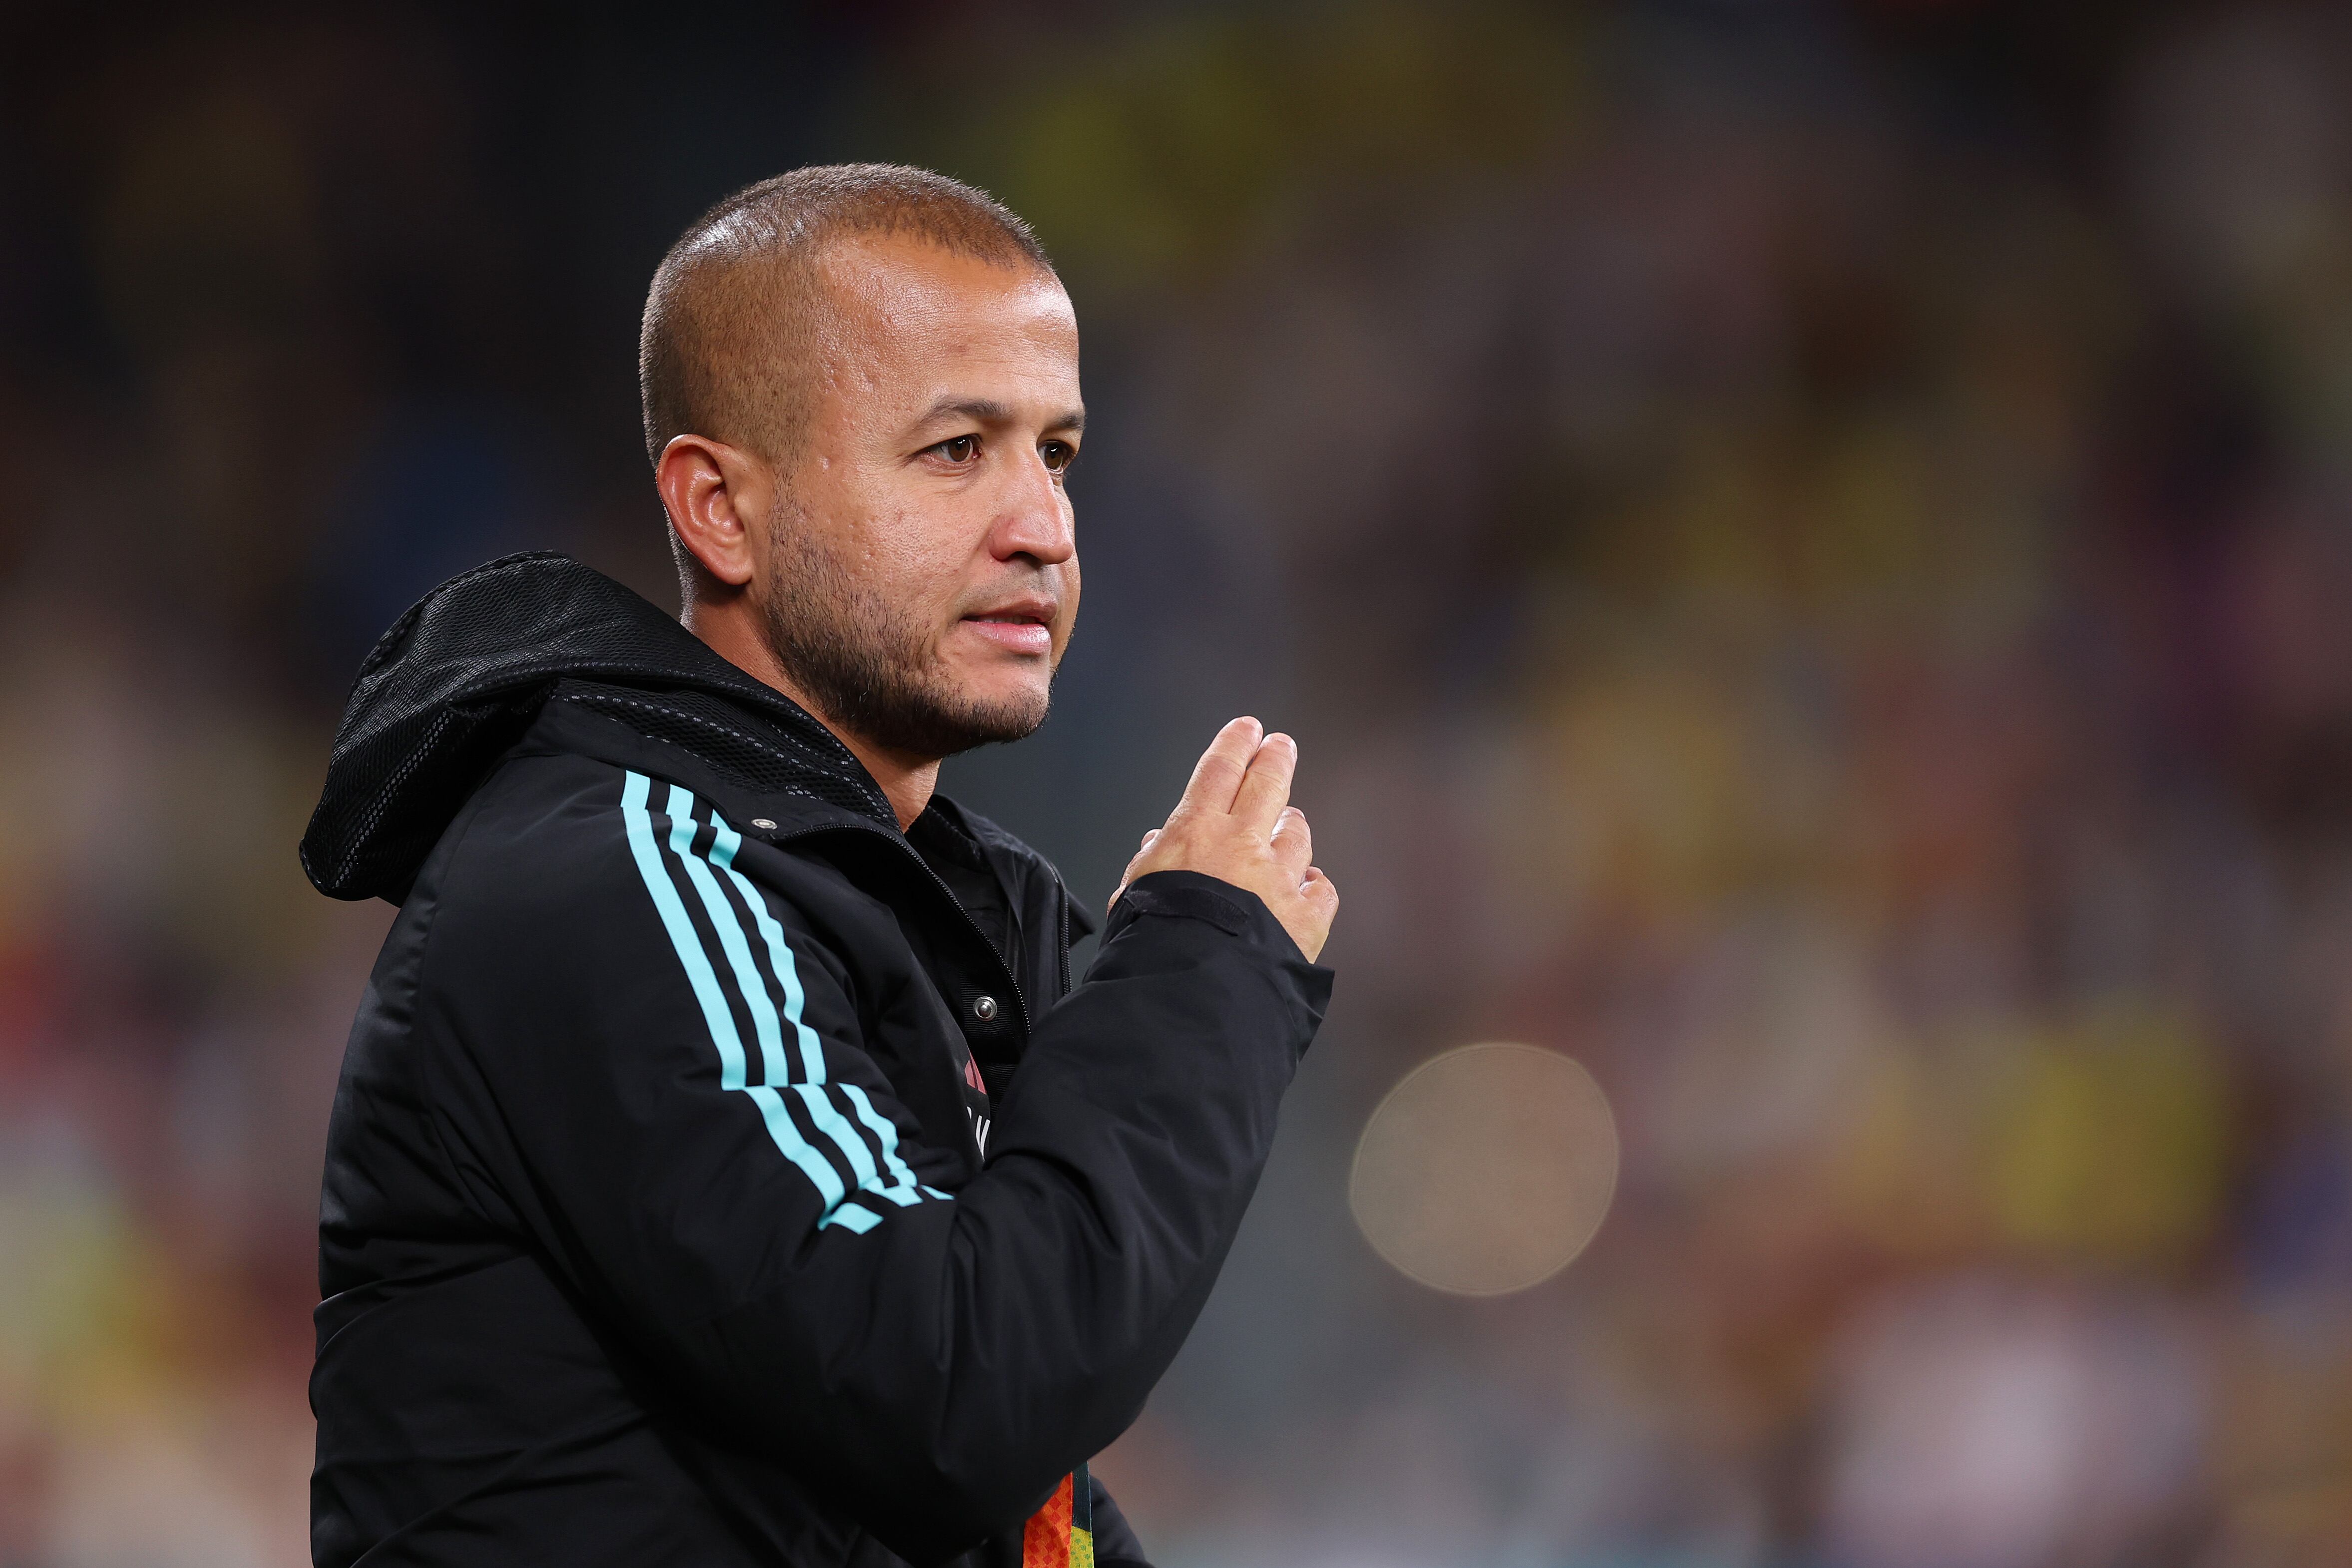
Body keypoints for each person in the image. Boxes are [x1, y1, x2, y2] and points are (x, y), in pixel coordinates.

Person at [298, 164, 1336, 1568]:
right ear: (721, 510)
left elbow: (1003, 1506)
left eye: (1058, 452)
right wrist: (1202, 963)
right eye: (958, 448)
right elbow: (959, 1388)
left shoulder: (880, 908)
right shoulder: (634, 872)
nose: (1042, 524)